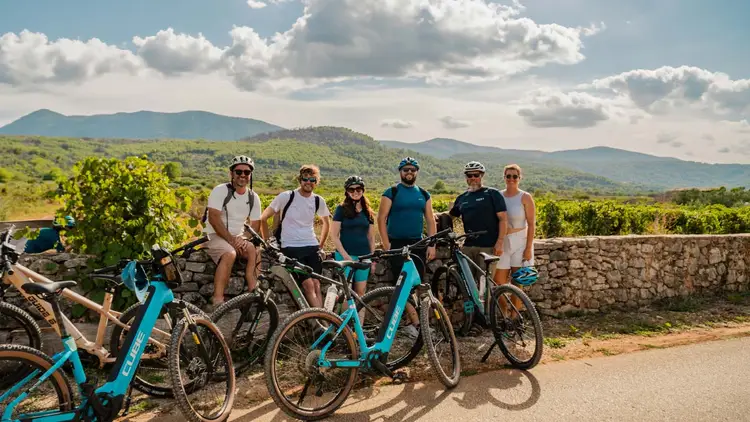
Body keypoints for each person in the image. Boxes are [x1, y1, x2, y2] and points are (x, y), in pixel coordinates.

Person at [377, 157, 436, 337]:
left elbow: (431, 220)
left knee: (418, 284)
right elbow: (380, 218)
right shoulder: (392, 192)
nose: (409, 173)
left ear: (417, 172)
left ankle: (418, 323)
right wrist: (386, 243)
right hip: (397, 245)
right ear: (400, 172)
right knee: (402, 284)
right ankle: (415, 324)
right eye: (406, 170)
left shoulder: (424, 194)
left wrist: (432, 244)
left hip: (418, 244)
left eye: (412, 170)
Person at [261, 164, 331, 308]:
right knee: (308, 285)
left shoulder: (318, 200)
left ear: (316, 182)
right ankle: (322, 323)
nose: (308, 182)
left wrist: (321, 246)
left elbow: (326, 223)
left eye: (312, 180)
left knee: (317, 284)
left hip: (312, 246)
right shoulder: (286, 197)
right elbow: (264, 218)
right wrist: (268, 242)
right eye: (305, 179)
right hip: (291, 247)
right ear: (300, 179)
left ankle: (323, 323)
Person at [203, 155, 263, 312]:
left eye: (247, 172)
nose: (243, 175)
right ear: (231, 173)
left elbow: (255, 224)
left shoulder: (253, 197)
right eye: (239, 171)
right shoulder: (220, 191)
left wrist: (243, 239)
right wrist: (231, 240)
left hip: (238, 237)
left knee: (255, 251)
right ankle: (217, 300)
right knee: (229, 254)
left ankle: (254, 293)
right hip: (214, 235)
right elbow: (214, 218)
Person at [449, 161, 508, 285]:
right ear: (466, 178)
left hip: (488, 247)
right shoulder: (462, 198)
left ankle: (487, 305)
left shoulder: (492, 194)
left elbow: (503, 219)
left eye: (476, 175)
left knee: (485, 285)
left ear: (482, 176)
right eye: (469, 176)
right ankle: (470, 305)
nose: (473, 178)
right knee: (466, 285)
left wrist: (500, 242)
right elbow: (452, 216)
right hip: (468, 247)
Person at [330, 176, 376, 298]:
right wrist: (346, 256)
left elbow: (371, 237)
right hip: (346, 256)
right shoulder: (341, 209)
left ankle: (359, 318)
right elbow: (334, 236)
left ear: (363, 190)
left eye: (358, 189)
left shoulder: (368, 212)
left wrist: (372, 258)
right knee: (346, 293)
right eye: (351, 190)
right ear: (347, 192)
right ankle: (345, 318)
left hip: (364, 256)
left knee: (361, 293)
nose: (355, 192)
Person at [496, 163, 536, 284]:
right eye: (508, 176)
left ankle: (515, 304)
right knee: (498, 281)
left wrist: (528, 248)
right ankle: (503, 304)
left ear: (519, 178)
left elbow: (532, 224)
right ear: (504, 177)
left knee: (518, 281)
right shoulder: (498, 196)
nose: (511, 179)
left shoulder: (525, 197)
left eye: (515, 176)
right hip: (503, 241)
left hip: (520, 242)